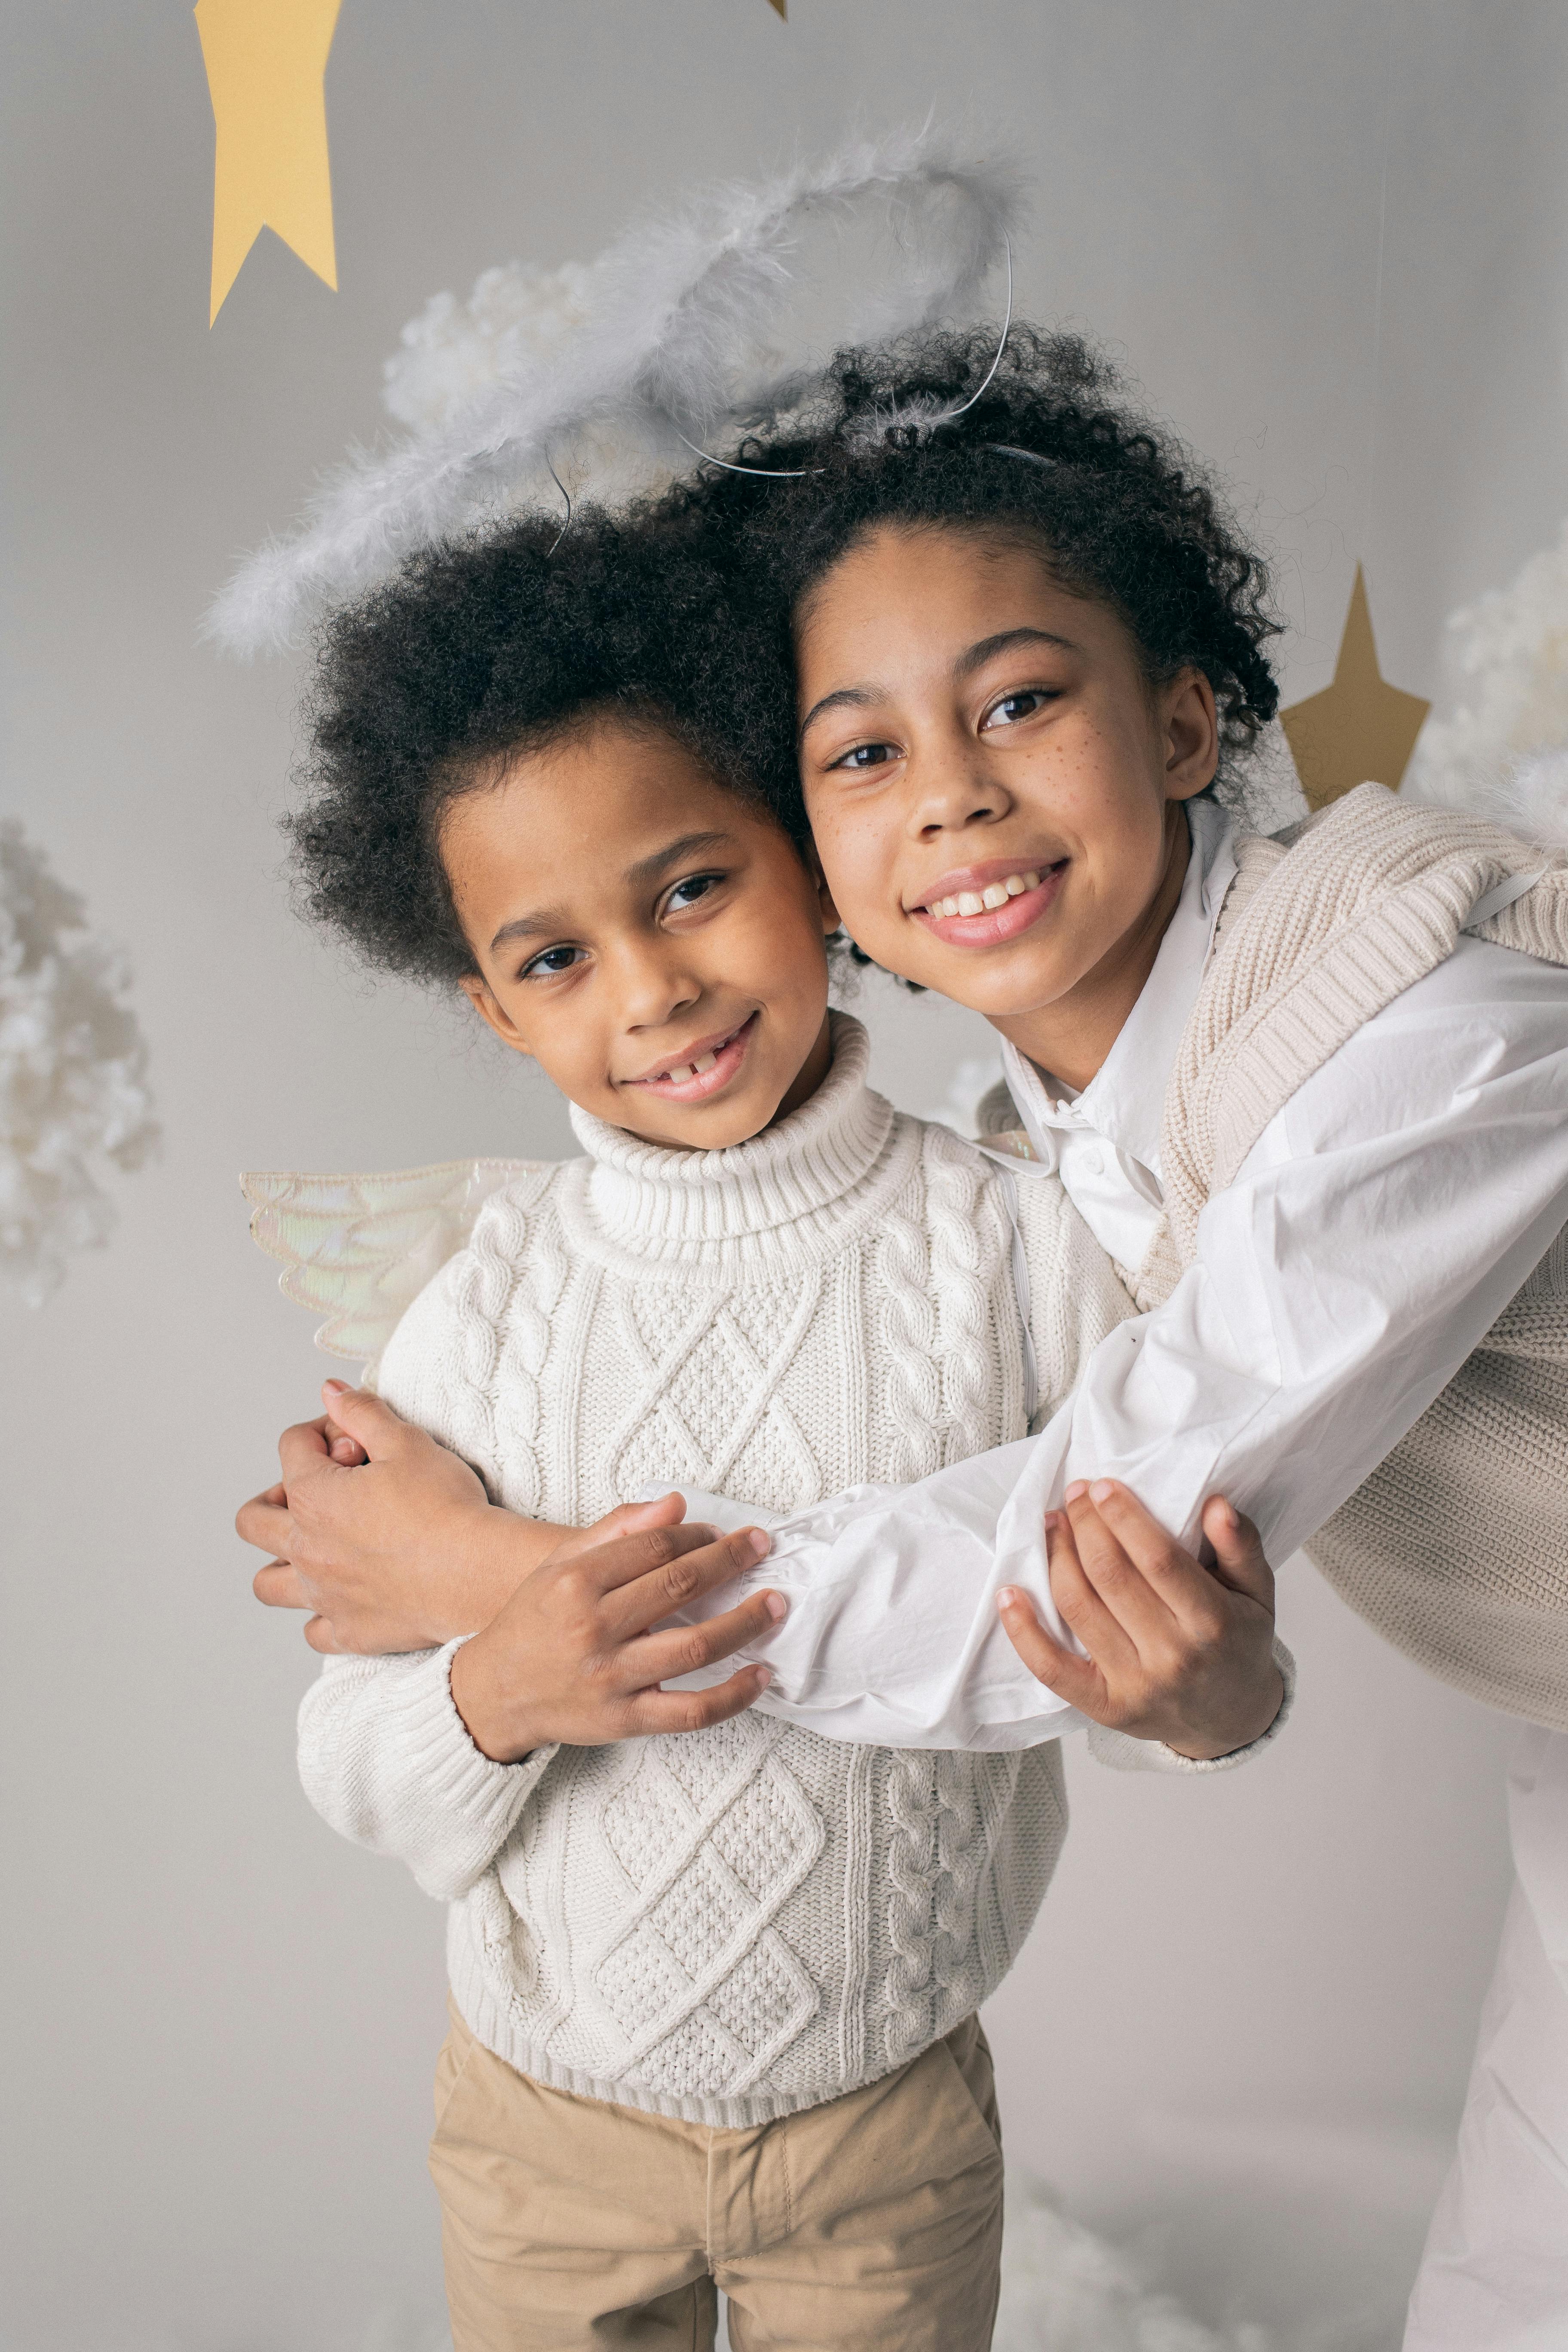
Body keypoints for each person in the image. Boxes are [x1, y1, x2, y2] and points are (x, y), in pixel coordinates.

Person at [243, 322, 1568, 2347]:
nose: (951, 802)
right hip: (548, 2125)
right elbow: (1144, 1616)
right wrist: (1197, 1689)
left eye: (1021, 702)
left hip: (876, 2132)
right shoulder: (536, 1285)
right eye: (863, 751)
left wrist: (495, 1578)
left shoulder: (1409, 1028)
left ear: (1192, 724)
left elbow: (1054, 1570)